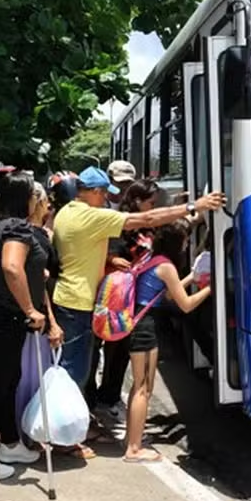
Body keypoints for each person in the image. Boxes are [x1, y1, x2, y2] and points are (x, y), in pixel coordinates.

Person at [51, 166, 225, 457]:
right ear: (94, 192)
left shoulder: (66, 212)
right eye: (104, 194)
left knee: (78, 370)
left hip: (71, 299)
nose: (107, 200)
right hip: (78, 302)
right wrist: (195, 205)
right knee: (75, 372)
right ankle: (64, 439)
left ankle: (76, 427)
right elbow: (146, 219)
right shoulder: (91, 216)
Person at [0, 173, 63, 480]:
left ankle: (9, 443)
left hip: (1, 312)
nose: (38, 199)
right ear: (24, 198)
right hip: (5, 314)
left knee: (8, 380)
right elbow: (11, 267)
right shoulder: (16, 227)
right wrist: (31, 309)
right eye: (34, 195)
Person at [124, 220, 210, 463]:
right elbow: (186, 304)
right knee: (143, 388)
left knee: (138, 386)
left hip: (137, 322)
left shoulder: (152, 260)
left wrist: (192, 277)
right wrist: (211, 288)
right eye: (185, 241)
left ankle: (132, 438)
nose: (186, 245)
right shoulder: (167, 266)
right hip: (146, 327)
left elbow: (169, 294)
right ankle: (133, 449)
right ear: (177, 242)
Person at [91, 179, 161, 424]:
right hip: (114, 297)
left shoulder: (148, 227)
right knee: (108, 348)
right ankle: (99, 400)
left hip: (134, 297)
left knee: (121, 350)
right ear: (138, 201)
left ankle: (109, 396)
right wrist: (112, 260)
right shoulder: (120, 224)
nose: (154, 207)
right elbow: (103, 253)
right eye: (151, 203)